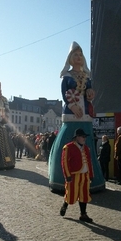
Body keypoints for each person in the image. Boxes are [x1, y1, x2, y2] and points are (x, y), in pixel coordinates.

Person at [48, 42, 105, 192]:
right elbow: (64, 93)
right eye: (75, 54)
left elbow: (89, 93)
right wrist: (72, 106)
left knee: (87, 146)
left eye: (80, 55)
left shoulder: (87, 76)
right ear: (70, 58)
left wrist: (91, 94)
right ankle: (63, 178)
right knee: (68, 141)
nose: (78, 57)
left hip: (85, 114)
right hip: (71, 113)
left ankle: (89, 178)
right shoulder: (66, 77)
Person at [60, 128, 94, 222]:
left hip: (85, 175)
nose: (84, 138)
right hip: (74, 175)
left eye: (85, 137)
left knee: (84, 195)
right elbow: (64, 162)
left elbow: (89, 162)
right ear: (77, 137)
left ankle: (83, 214)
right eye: (83, 137)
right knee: (71, 193)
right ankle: (65, 205)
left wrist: (91, 174)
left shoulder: (86, 148)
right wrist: (67, 175)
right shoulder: (68, 147)